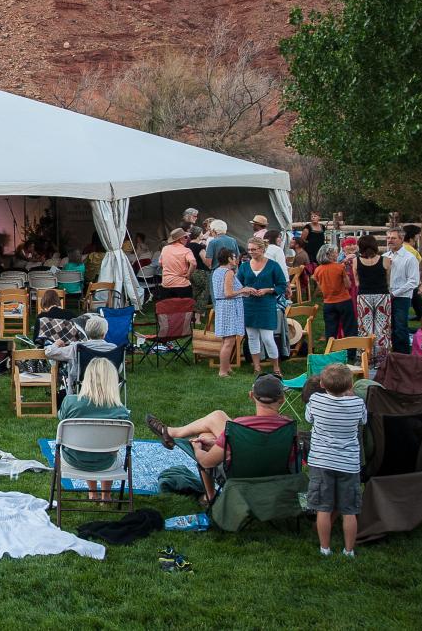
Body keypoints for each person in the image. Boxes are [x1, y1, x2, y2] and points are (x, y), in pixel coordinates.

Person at [145, 374, 292, 503]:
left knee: (204, 437)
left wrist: (198, 447)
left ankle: (210, 496)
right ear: (282, 399)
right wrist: (219, 443)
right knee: (214, 427)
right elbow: (265, 447)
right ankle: (171, 432)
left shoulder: (238, 427)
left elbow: (206, 462)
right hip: (276, 480)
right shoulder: (290, 428)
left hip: (241, 478)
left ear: (251, 396)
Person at [305, 362, 365, 558]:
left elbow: (309, 419)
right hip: (348, 463)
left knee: (323, 508)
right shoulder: (357, 403)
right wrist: (350, 397)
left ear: (322, 384)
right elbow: (363, 421)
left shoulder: (315, 400)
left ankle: (325, 548)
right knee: (349, 510)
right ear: (350, 386)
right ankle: (349, 550)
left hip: (321, 461)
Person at [57, 358, 130, 501]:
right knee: (110, 449)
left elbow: (61, 421)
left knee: (86, 443)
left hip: (72, 460)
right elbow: (116, 448)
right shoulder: (120, 411)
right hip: (106, 464)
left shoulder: (70, 402)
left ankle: (93, 493)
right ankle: (106, 495)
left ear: (87, 377)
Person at [237, 238, 286, 376]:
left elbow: (282, 285)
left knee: (268, 338)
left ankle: (276, 367)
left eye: (254, 249)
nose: (250, 252)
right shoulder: (244, 266)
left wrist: (268, 290)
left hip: (266, 305)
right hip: (249, 305)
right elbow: (238, 285)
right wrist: (246, 289)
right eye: (249, 249)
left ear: (262, 249)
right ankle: (257, 367)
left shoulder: (273, 265)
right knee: (252, 337)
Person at [348, 235, 392, 370]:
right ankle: (382, 361)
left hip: (364, 297)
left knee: (364, 329)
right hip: (382, 295)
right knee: (383, 329)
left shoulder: (356, 261)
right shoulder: (386, 260)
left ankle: (364, 360)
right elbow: (388, 281)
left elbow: (357, 282)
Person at [210, 247, 245, 377]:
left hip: (221, 305)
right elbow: (228, 293)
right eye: (234, 257)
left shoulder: (216, 271)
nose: (236, 259)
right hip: (228, 306)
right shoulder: (228, 272)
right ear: (229, 259)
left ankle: (227, 367)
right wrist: (243, 290)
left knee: (226, 340)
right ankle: (223, 371)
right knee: (229, 340)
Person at [385, 229, 420, 353]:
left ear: (401, 239)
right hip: (385, 297)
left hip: (402, 297)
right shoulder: (384, 257)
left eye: (393, 238)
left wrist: (395, 293)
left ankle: (403, 356)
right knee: (388, 327)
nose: (390, 240)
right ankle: (390, 353)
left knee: (400, 327)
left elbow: (413, 281)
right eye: (388, 238)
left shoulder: (409, 258)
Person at [311, 245, 355, 342]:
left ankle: (330, 351)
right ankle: (350, 351)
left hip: (328, 302)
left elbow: (319, 285)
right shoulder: (339, 268)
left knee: (330, 330)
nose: (337, 254)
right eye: (335, 252)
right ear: (329, 255)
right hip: (343, 300)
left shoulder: (318, 270)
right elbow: (348, 285)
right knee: (349, 328)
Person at [156, 229, 196, 301]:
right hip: (182, 284)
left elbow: (160, 263)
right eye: (185, 237)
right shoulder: (186, 250)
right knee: (185, 309)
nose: (187, 239)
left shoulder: (165, 249)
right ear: (180, 239)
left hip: (166, 284)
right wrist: (189, 274)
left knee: (168, 310)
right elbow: (193, 263)